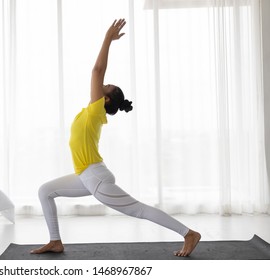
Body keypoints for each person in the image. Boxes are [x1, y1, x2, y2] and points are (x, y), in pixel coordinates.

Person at [31, 19, 201, 257]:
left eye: (106, 86)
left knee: (138, 210)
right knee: (45, 190)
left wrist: (107, 39)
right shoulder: (90, 112)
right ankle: (55, 241)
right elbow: (97, 76)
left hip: (95, 177)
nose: (102, 84)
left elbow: (96, 70)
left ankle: (188, 233)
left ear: (106, 99)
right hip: (86, 175)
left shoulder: (96, 110)